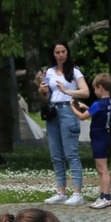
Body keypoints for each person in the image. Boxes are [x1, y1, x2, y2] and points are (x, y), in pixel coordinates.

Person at [37, 42, 88, 205]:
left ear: (67, 52)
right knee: (56, 155)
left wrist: (67, 91)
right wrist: (42, 93)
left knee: (71, 153)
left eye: (63, 51)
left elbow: (85, 92)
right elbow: (48, 96)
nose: (60, 54)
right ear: (53, 54)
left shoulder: (74, 71)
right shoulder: (50, 72)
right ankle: (61, 191)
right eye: (57, 52)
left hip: (68, 110)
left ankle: (78, 193)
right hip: (53, 112)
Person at [72, 73, 111, 209]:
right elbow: (96, 113)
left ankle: (107, 197)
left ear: (99, 87)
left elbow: (82, 117)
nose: (94, 92)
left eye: (94, 89)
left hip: (99, 137)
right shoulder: (109, 102)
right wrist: (87, 107)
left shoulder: (97, 104)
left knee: (103, 168)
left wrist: (73, 106)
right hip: (103, 135)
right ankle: (102, 195)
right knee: (99, 168)